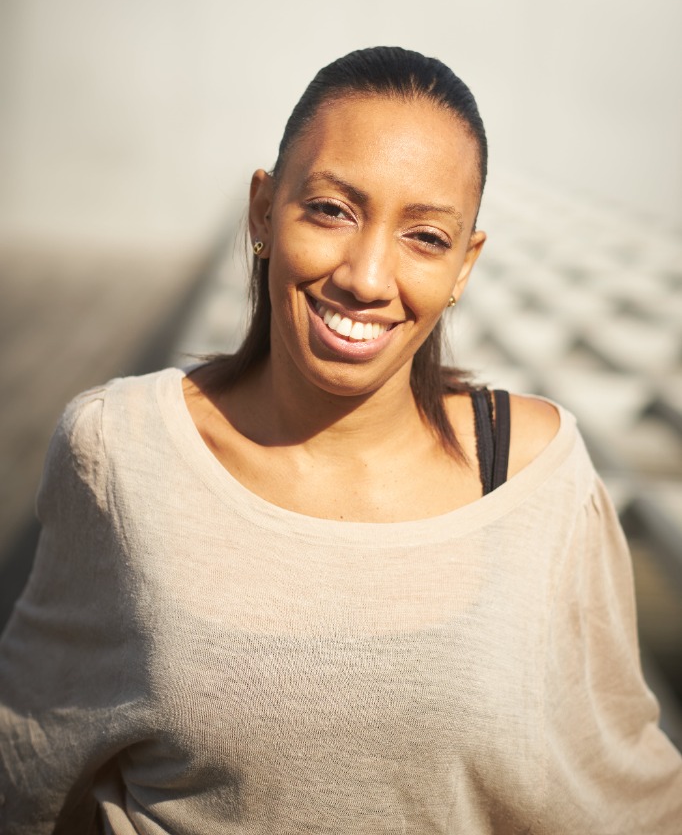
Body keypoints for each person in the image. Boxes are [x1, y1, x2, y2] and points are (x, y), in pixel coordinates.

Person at [1, 46, 681, 834]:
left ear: (466, 264)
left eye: (425, 236)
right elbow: (30, 767)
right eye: (331, 210)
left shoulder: (533, 473)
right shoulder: (119, 449)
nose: (365, 275)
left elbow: (626, 791)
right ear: (263, 211)